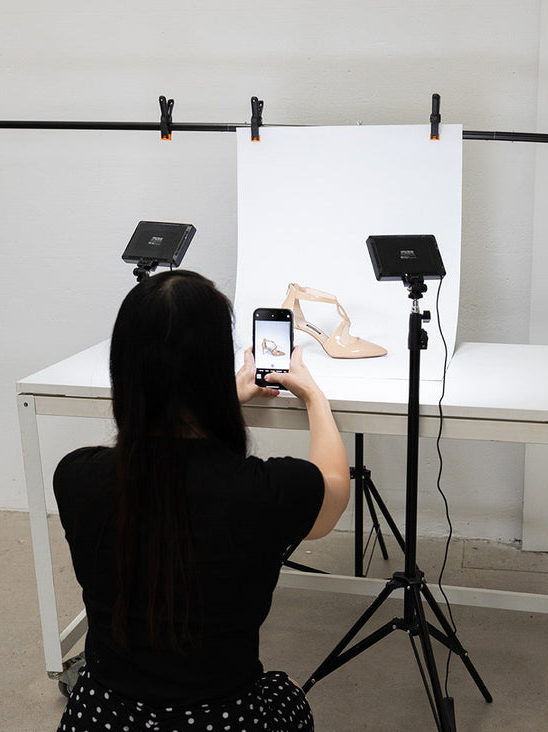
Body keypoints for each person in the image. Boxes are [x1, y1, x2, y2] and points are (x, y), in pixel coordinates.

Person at [53, 270, 351, 732]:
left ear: (122, 369)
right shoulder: (268, 491)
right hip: (224, 719)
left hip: (102, 717)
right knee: (285, 687)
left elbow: (167, 465)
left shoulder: (76, 478)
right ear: (214, 368)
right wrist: (314, 397)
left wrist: (223, 399)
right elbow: (333, 488)